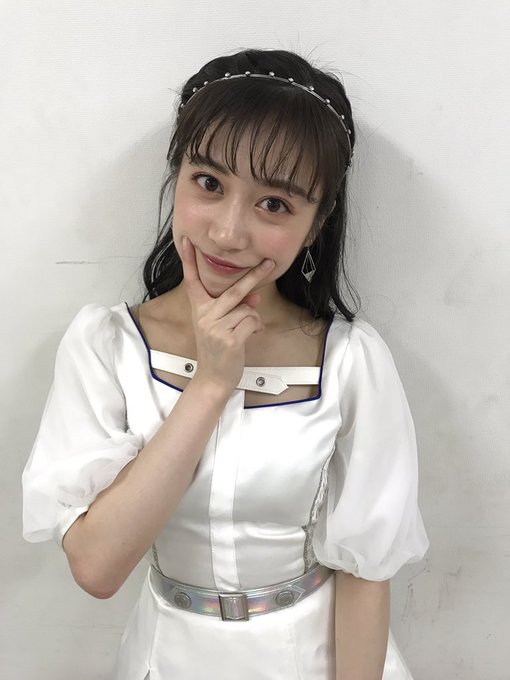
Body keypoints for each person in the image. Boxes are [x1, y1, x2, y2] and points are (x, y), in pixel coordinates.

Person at [22, 48, 429, 679]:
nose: (227, 233)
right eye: (209, 183)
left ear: (316, 224)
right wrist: (212, 383)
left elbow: (365, 573)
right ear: (177, 175)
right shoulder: (106, 344)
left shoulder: (351, 361)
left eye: (275, 204)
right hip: (165, 658)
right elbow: (97, 568)